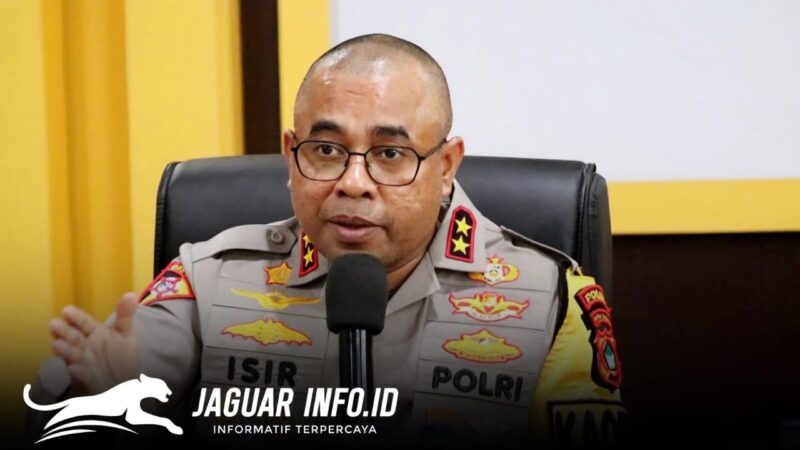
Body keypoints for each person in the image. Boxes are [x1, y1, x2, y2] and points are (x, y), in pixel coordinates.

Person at [29, 34, 625, 447]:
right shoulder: (210, 277)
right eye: (325, 150)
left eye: (390, 154)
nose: (353, 182)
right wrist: (99, 399)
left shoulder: (551, 298)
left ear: (446, 166)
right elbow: (111, 381)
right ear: (291, 155)